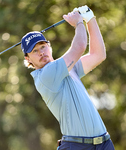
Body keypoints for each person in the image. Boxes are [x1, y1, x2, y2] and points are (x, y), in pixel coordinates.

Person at [21, 5, 115, 150]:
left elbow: (98, 55)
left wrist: (90, 19)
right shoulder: (45, 76)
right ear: (28, 60)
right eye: (34, 51)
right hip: (77, 146)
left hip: (104, 143)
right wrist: (78, 22)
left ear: (49, 47)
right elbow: (79, 47)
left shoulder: (67, 68)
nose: (41, 53)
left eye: (43, 47)